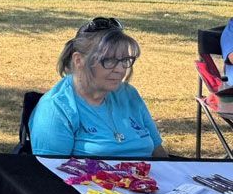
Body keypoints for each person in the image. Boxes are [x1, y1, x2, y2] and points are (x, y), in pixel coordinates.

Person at [29, 17, 168, 158]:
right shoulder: (56, 108)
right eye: (109, 60)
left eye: (125, 60)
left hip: (148, 178)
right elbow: (48, 174)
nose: (120, 69)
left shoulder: (128, 94)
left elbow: (159, 154)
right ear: (79, 60)